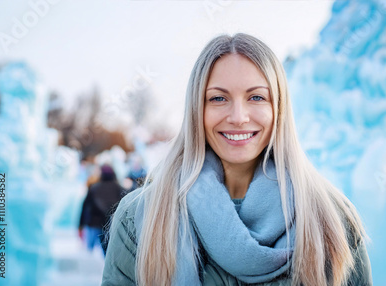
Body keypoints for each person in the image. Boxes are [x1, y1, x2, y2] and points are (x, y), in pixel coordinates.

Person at [102, 33, 372, 285]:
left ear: (278, 107)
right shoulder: (141, 217)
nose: (238, 117)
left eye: (256, 97)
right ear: (197, 108)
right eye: (218, 98)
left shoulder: (330, 216)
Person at [79, 164, 125, 256]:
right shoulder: (119, 188)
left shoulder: (94, 188)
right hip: (112, 223)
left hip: (95, 224)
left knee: (90, 252)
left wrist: (80, 224)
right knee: (108, 252)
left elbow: (85, 206)